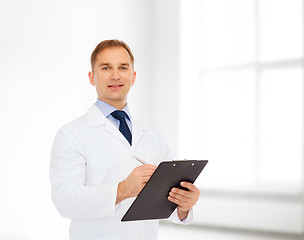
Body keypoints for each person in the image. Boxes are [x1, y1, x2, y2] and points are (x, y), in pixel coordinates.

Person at [50, 39, 200, 240]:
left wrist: (183, 205)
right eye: (105, 68)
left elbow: (165, 206)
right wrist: (121, 190)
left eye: (123, 67)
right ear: (92, 77)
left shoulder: (154, 138)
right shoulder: (71, 135)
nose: (115, 75)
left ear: (133, 76)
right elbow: (65, 201)